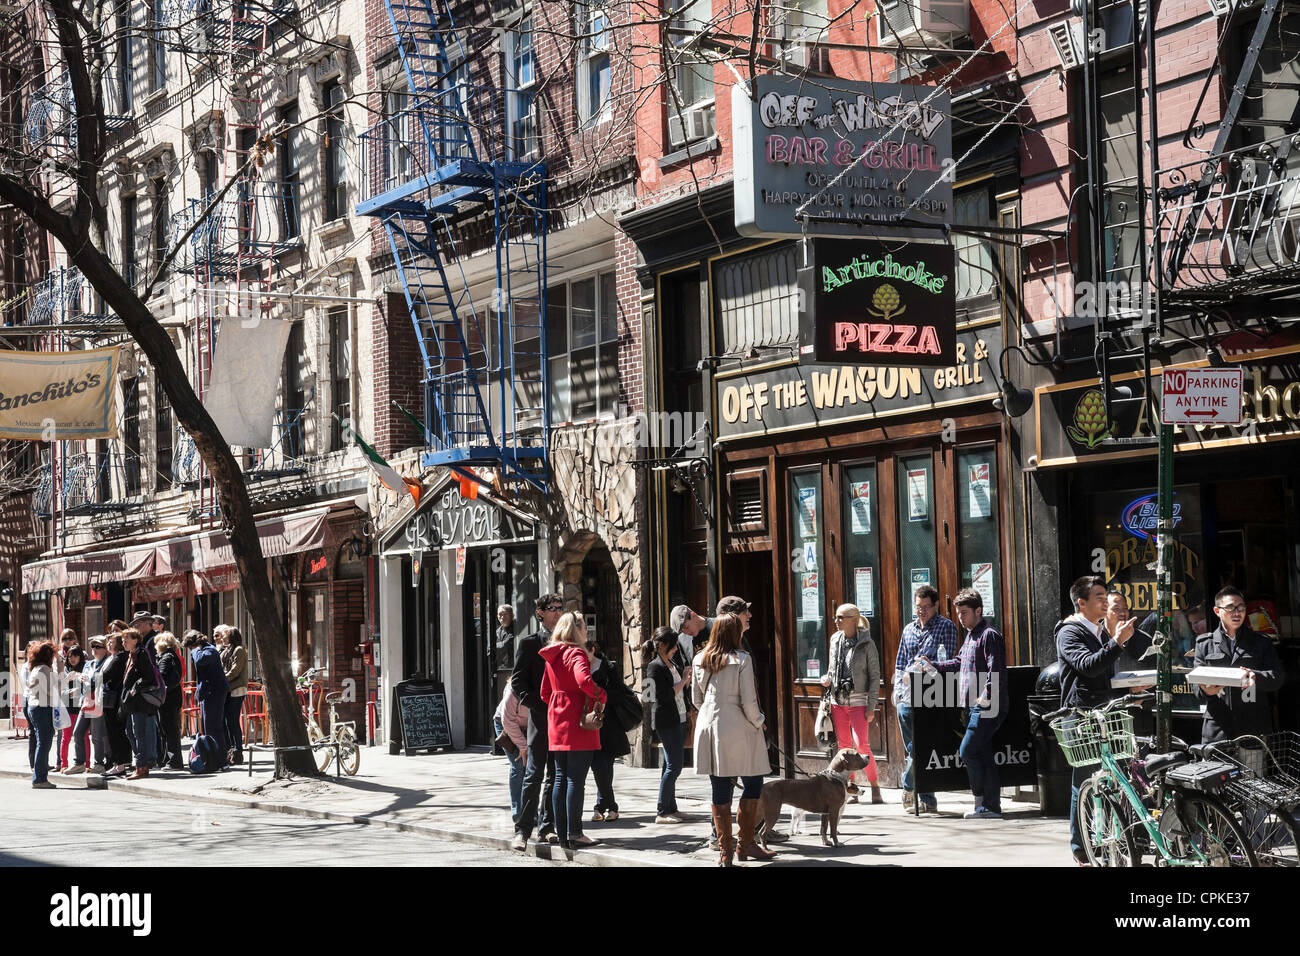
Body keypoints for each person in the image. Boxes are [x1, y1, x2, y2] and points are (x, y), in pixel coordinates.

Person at [1056, 574, 1136, 866]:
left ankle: (1110, 839)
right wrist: (1116, 641)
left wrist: (1130, 687)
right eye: (1099, 597)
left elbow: (1104, 675)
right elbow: (1088, 667)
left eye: (1105, 596)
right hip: (1080, 716)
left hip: (1105, 713)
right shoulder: (1069, 632)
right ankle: (1082, 847)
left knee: (1112, 779)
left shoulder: (1099, 630)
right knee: (1086, 780)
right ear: (1082, 602)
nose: (1105, 602)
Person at [921, 588, 1009, 820]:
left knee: (968, 750)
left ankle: (984, 801)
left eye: (964, 613)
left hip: (987, 704)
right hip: (973, 704)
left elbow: (996, 668)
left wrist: (987, 694)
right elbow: (960, 662)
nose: (961, 618)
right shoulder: (971, 635)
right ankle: (988, 806)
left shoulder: (989, 634)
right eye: (958, 613)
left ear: (978, 610)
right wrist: (936, 666)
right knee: (982, 752)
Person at [693, 613, 774, 865]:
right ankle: (745, 843)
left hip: (709, 725)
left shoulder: (699, 659)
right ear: (734, 633)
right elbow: (749, 702)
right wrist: (760, 721)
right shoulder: (741, 659)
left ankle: (725, 853)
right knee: (753, 781)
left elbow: (696, 699)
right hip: (739, 726)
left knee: (720, 786)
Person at [538, 611, 607, 849]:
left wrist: (561, 703)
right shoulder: (576, 652)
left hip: (557, 721)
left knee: (560, 778)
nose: (585, 632)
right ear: (576, 630)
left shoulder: (553, 655)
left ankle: (564, 833)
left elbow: (545, 693)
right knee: (575, 780)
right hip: (578, 722)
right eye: (583, 628)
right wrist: (601, 695)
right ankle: (575, 833)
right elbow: (584, 681)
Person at [894, 584, 959, 814]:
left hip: (931, 695)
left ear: (937, 605)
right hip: (906, 697)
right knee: (914, 748)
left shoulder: (946, 627)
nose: (921, 611)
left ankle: (910, 787)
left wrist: (926, 668)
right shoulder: (908, 630)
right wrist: (897, 690)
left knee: (921, 747)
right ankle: (928, 799)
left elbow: (948, 663)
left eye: (926, 607)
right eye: (918, 607)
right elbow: (900, 662)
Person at [509, 592, 564, 851]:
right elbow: (518, 682)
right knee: (534, 774)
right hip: (540, 718)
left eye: (560, 608)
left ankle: (547, 827)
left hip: (562, 720)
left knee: (555, 775)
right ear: (540, 612)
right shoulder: (530, 643)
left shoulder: (566, 642)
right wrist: (537, 704)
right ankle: (522, 830)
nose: (557, 612)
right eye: (552, 608)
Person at [1193, 586, 1284, 743]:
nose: (1237, 613)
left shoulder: (1261, 642)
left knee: (1253, 768)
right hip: (1218, 731)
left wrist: (1256, 677)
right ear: (1217, 611)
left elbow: (1277, 678)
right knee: (1218, 769)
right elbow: (1196, 687)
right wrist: (1206, 690)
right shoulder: (1204, 644)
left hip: (1253, 729)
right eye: (1230, 608)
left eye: (1241, 607)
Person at [820, 603, 882, 804]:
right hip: (837, 700)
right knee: (845, 747)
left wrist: (871, 706)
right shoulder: (835, 639)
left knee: (862, 745)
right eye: (835, 617)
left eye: (840, 617)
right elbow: (832, 669)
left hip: (858, 701)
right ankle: (851, 788)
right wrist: (826, 679)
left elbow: (875, 677)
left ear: (853, 620)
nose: (836, 621)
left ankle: (875, 787)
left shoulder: (867, 643)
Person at [645, 625, 690, 823]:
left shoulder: (670, 662)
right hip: (667, 720)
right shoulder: (655, 666)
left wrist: (685, 679)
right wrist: (684, 680)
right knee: (675, 765)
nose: (675, 650)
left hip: (679, 717)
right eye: (673, 646)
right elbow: (662, 696)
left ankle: (671, 807)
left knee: (668, 765)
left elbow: (678, 690)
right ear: (662, 645)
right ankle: (662, 811)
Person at [589, 640, 629, 823]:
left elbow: (619, 692)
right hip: (590, 722)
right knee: (598, 765)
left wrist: (600, 696)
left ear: (592, 650)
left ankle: (600, 805)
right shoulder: (578, 666)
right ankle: (610, 806)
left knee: (607, 765)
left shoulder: (607, 666)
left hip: (609, 722)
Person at [184, 629, 230, 768]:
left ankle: (220, 760)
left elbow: (200, 660)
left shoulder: (209, 650)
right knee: (208, 727)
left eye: (191, 647)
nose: (191, 651)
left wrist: (195, 650)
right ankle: (215, 759)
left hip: (214, 693)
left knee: (213, 727)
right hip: (208, 693)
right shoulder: (203, 650)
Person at [68, 637, 109, 774]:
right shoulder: (88, 664)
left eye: (98, 647)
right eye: (93, 647)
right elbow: (84, 681)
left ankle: (99, 763)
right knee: (78, 732)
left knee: (97, 736)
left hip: (97, 702)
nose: (95, 650)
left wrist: (84, 684)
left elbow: (99, 682)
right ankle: (79, 763)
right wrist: (79, 683)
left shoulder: (107, 662)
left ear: (105, 649)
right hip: (85, 702)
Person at [493, 682, 529, 826]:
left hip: (529, 726)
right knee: (519, 765)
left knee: (531, 769)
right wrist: (522, 746)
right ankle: (518, 813)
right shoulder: (512, 691)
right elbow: (507, 721)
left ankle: (530, 810)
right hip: (506, 726)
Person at [99, 630, 133, 777]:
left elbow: (105, 676)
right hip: (116, 698)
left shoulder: (119, 658)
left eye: (112, 642)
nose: (108, 644)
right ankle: (124, 762)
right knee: (119, 732)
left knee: (115, 732)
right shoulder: (118, 657)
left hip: (113, 700)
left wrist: (89, 679)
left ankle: (119, 764)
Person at [26, 641, 58, 789]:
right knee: (44, 743)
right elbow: (51, 691)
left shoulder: (35, 668)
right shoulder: (44, 669)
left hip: (34, 707)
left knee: (41, 742)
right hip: (42, 707)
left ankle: (39, 777)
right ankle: (39, 778)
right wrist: (67, 680)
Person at [216, 625, 249, 765]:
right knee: (227, 721)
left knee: (233, 720)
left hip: (236, 689)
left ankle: (237, 751)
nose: (222, 638)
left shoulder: (239, 650)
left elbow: (235, 671)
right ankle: (230, 750)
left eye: (225, 635)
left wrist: (221, 680)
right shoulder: (226, 650)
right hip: (228, 689)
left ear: (231, 636)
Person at [154, 632, 186, 770]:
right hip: (173, 697)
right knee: (169, 729)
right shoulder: (172, 656)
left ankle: (173, 761)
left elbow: (161, 677)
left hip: (168, 699)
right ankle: (170, 760)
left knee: (169, 730)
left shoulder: (166, 657)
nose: (155, 646)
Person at [57, 645, 88, 772]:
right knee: (66, 737)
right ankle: (64, 764)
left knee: (84, 736)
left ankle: (87, 764)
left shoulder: (85, 669)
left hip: (82, 708)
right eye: (70, 656)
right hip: (68, 708)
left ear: (80, 657)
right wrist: (69, 692)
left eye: (75, 656)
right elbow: (58, 691)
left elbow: (89, 687)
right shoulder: (65, 671)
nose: (72, 659)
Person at [669, 604, 712, 671]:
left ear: (692, 614)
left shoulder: (717, 625)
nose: (686, 632)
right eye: (682, 631)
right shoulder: (682, 640)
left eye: (686, 627)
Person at [495, 605, 516, 670]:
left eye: (505, 614)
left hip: (513, 668)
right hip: (501, 668)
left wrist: (493, 646)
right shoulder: (498, 631)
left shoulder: (516, 629)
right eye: (500, 614)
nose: (502, 617)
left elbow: (506, 644)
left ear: (512, 615)